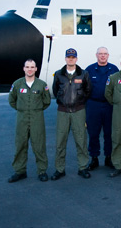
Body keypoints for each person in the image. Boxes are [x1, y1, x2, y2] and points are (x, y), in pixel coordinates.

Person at [51, 48, 92, 180]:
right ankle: (59, 169)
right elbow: (55, 90)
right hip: (63, 111)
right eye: (68, 57)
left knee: (81, 140)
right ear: (65, 59)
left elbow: (88, 90)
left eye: (73, 57)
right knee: (60, 142)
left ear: (76, 59)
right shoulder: (58, 74)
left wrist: (79, 102)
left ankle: (83, 167)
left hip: (78, 111)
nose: (71, 59)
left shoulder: (83, 74)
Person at [8, 59, 51, 183]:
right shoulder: (17, 84)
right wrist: (22, 109)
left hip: (37, 118)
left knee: (39, 145)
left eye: (32, 67)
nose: (30, 69)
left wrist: (35, 110)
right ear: (24, 68)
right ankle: (20, 171)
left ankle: (42, 171)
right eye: (27, 67)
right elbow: (12, 100)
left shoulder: (42, 85)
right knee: (20, 145)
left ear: (36, 69)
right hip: (21, 118)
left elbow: (46, 101)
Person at [85, 47, 119, 170]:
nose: (103, 56)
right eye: (100, 54)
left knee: (109, 133)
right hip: (93, 105)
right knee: (93, 133)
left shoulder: (114, 69)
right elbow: (84, 88)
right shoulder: (89, 69)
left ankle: (108, 157)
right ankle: (94, 158)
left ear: (108, 55)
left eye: (105, 54)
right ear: (96, 55)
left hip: (109, 105)